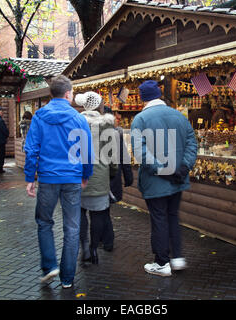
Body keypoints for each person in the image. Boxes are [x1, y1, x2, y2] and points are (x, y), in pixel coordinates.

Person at [24, 75, 93, 289]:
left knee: (44, 222)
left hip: (47, 178)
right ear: (67, 94)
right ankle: (67, 277)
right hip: (72, 178)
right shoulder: (79, 118)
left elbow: (31, 149)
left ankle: (49, 265)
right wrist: (85, 175)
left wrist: (30, 178)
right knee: (72, 228)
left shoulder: (39, 116)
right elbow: (87, 152)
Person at [130, 80, 197, 277]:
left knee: (159, 219)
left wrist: (163, 169)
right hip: (178, 178)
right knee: (173, 216)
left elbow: (140, 153)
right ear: (159, 95)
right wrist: (183, 167)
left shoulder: (140, 119)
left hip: (156, 181)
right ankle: (177, 259)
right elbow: (192, 143)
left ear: (142, 98)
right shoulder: (179, 116)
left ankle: (161, 262)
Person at [75, 93, 117, 265]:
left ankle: (84, 246)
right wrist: (111, 173)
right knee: (99, 214)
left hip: (78, 177)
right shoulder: (107, 127)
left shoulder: (74, 124)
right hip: (100, 176)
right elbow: (113, 158)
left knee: (80, 213)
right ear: (100, 106)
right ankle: (93, 247)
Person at [102, 106, 133, 251]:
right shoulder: (116, 134)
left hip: (97, 179)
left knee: (101, 210)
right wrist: (128, 177)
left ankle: (104, 240)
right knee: (104, 209)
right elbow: (124, 157)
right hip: (111, 178)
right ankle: (106, 240)